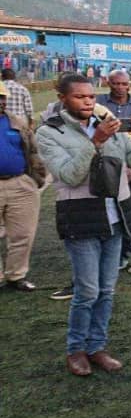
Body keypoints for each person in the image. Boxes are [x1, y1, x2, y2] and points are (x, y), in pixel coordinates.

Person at [35, 74, 131, 376]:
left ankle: (97, 347)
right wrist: (96, 141)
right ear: (63, 98)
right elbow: (69, 175)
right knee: (87, 291)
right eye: (80, 97)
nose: (89, 102)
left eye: (91, 96)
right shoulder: (50, 133)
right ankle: (76, 350)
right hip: (80, 218)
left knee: (107, 290)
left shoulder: (111, 126)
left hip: (115, 218)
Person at [96, 69, 131, 274]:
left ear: (129, 85)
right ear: (108, 83)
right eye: (115, 84)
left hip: (130, 163)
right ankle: (119, 255)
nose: (120, 88)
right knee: (108, 213)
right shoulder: (99, 102)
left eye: (123, 84)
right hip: (106, 165)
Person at [0, 82, 47, 291]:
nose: (1, 101)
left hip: (20, 183)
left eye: (2, 97)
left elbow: (33, 150)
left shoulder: (15, 122)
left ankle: (16, 276)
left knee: (23, 234)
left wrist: (36, 178)